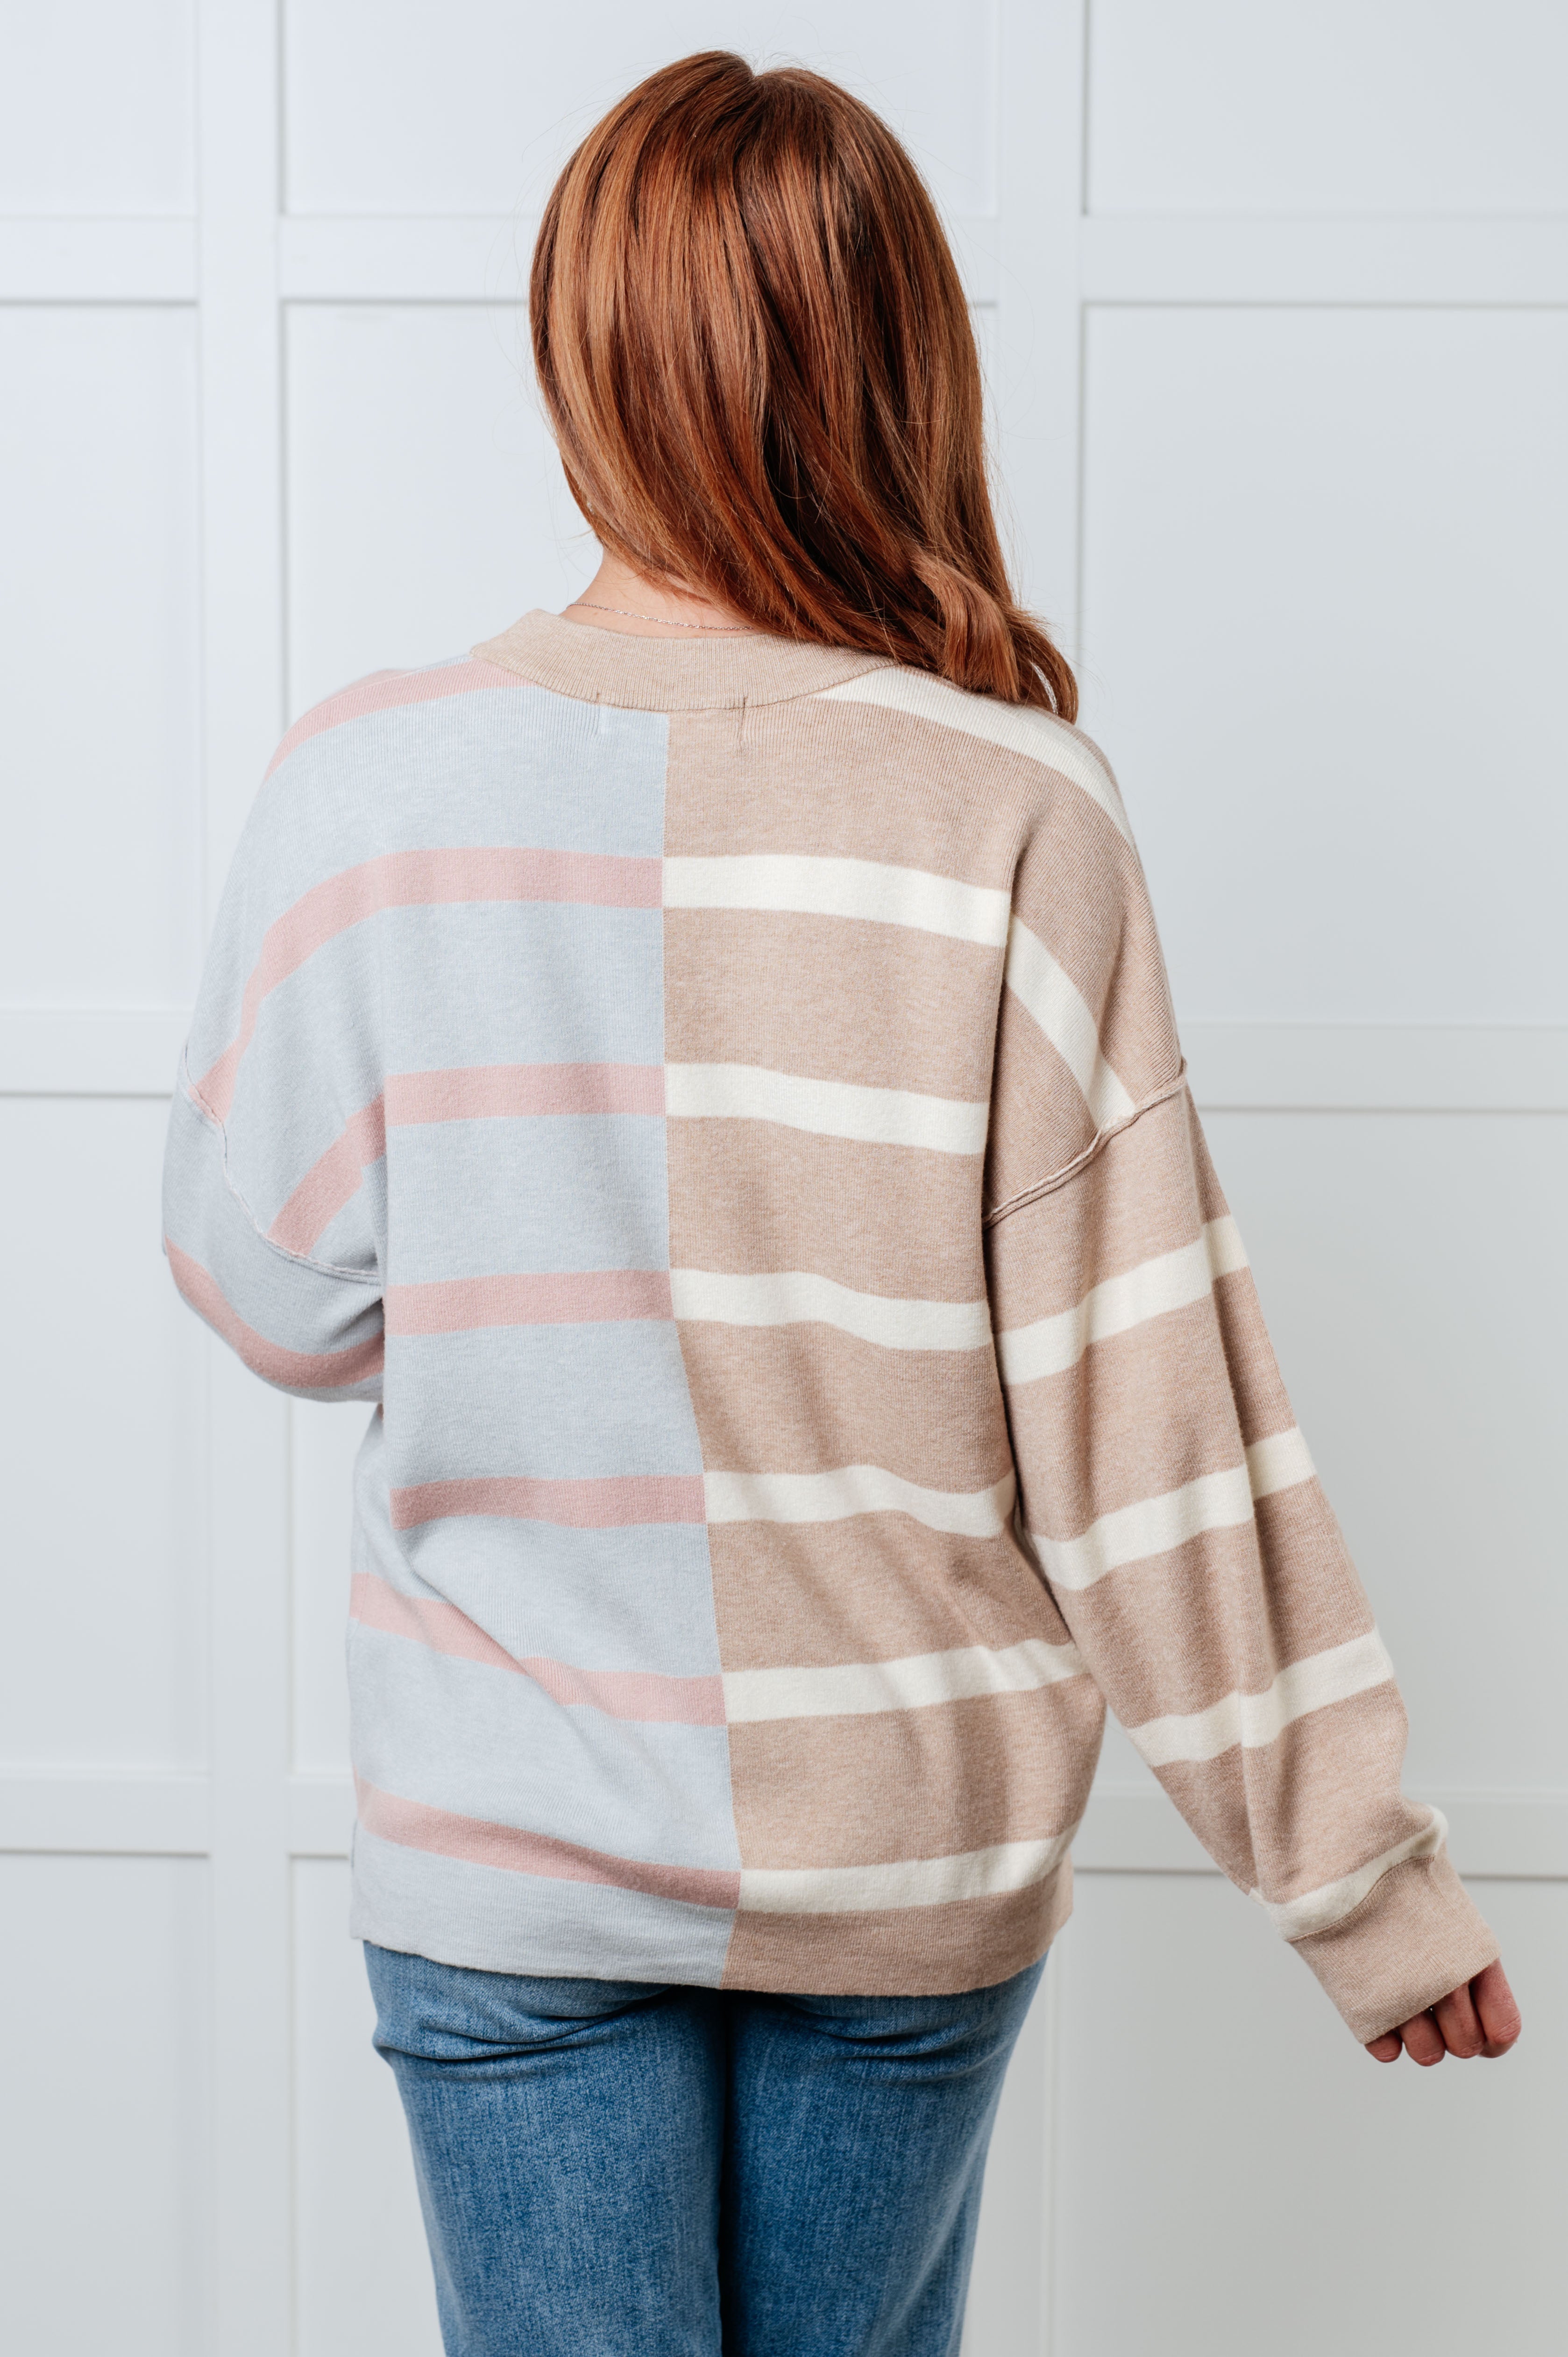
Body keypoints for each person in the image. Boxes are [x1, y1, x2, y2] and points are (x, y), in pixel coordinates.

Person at [161, 49, 1520, 2357]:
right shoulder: (1019, 806)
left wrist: (519, 1222)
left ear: (581, 348)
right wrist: (1363, 1889)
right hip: (904, 1863)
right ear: (899, 365)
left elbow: (269, 1290)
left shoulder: (364, 789)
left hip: (511, 1857)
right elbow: (1154, 1425)